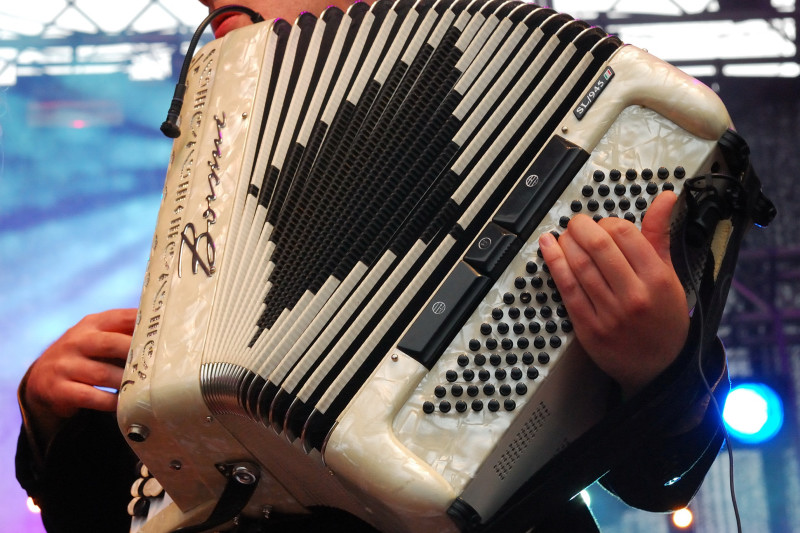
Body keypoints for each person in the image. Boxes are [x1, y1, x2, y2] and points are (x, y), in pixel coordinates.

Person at [15, 0, 730, 531]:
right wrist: (55, 422)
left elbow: (659, 477)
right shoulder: (224, 191)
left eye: (237, 9)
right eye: (213, 12)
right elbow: (107, 514)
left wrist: (663, 367)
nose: (221, 27)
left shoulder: (579, 124)